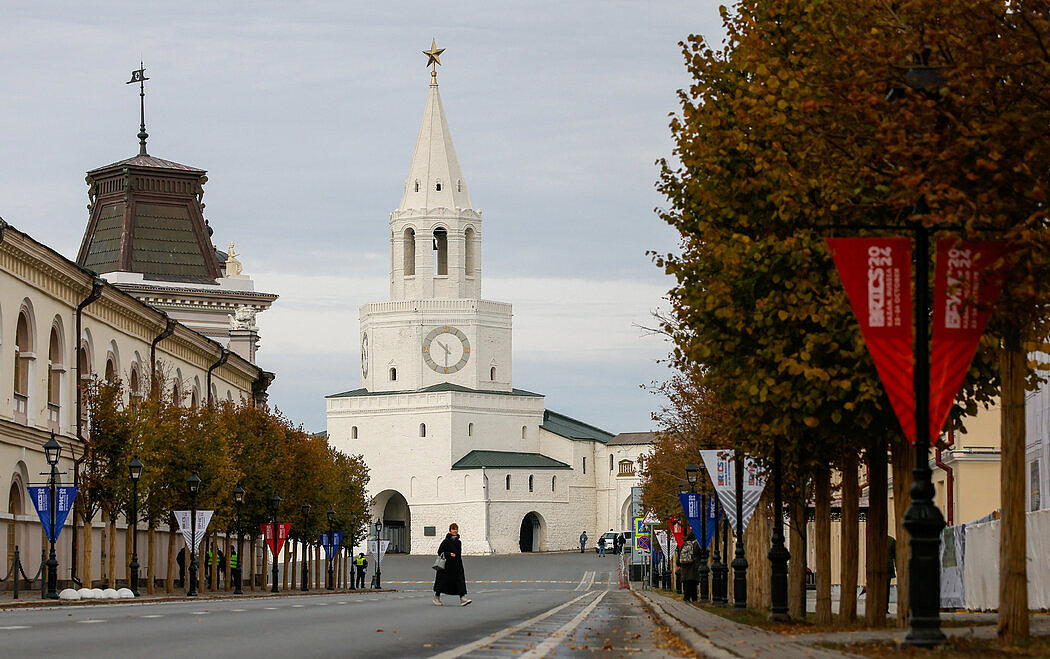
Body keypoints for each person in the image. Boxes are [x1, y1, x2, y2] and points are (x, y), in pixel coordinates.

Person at [433, 523, 471, 606]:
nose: (455, 531)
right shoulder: (446, 541)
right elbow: (440, 552)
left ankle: (462, 598)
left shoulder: (459, 542)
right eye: (453, 529)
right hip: (446, 566)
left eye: (456, 529)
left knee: (459, 581)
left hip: (457, 565)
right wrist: (449, 554)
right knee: (442, 582)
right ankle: (436, 597)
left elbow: (458, 554)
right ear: (450, 530)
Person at [680, 531, 700, 602]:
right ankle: (694, 598)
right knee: (693, 584)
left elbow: (679, 556)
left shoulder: (684, 544)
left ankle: (686, 598)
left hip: (685, 568)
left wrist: (679, 564)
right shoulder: (697, 544)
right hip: (693, 567)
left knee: (687, 584)